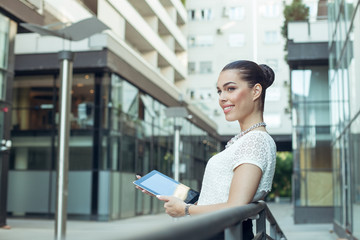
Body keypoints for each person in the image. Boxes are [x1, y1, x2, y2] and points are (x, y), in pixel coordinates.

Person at [136, 60, 277, 240]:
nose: (222, 98)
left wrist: (185, 210)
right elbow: (217, 198)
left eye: (230, 89)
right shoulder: (245, 140)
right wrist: (169, 192)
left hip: (225, 234)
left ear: (256, 91)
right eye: (219, 91)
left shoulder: (255, 140)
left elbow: (235, 207)